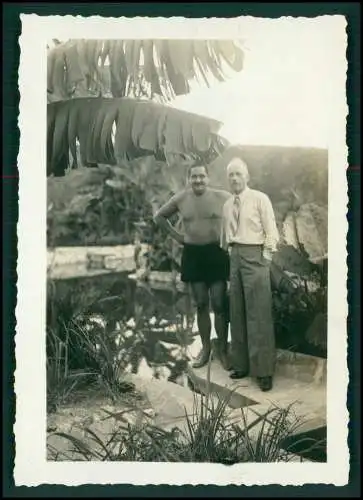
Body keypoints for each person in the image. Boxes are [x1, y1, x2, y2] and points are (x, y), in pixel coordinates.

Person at [153, 162, 231, 370]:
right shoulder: (180, 198)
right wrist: (179, 237)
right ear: (189, 179)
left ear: (208, 178)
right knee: (201, 304)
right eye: (194, 177)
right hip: (193, 255)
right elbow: (159, 217)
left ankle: (222, 350)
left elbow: (240, 214)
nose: (198, 180)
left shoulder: (222, 197)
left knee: (220, 304)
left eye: (202, 176)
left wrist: (230, 238)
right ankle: (206, 349)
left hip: (216, 253)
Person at [221, 157, 279, 391]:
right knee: (237, 311)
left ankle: (263, 371)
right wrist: (231, 260)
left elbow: (271, 230)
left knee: (259, 313)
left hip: (255, 256)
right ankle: (242, 365)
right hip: (235, 257)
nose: (234, 178)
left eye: (238, 174)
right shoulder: (226, 205)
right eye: (231, 175)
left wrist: (265, 258)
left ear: (247, 177)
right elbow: (225, 238)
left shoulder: (259, 199)